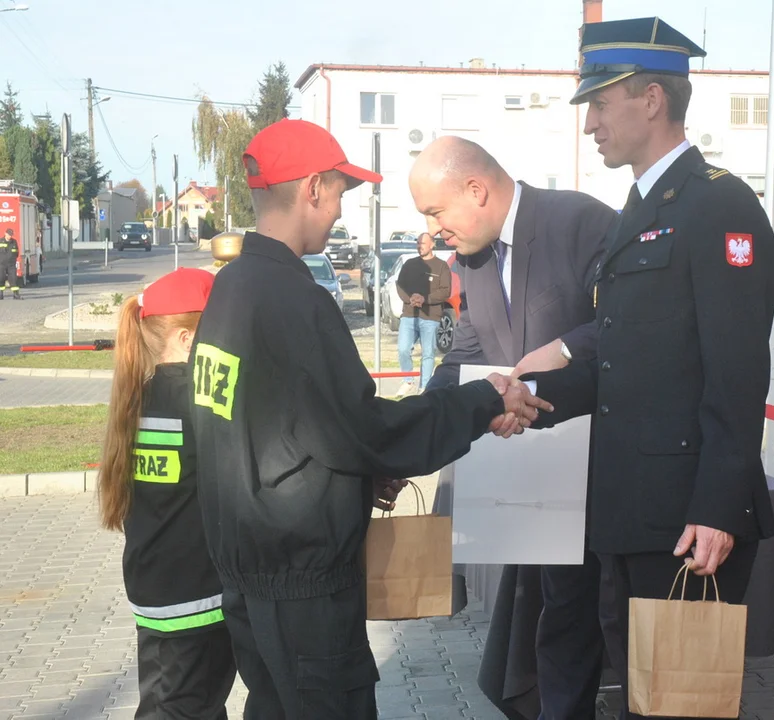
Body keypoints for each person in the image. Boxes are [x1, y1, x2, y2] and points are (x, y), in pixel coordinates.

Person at [189, 118, 552, 720]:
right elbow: (366, 431)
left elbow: (277, 430)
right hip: (303, 586)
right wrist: (482, 398)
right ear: (311, 188)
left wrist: (354, 478)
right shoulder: (293, 299)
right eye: (338, 193)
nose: (338, 212)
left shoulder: (231, 290)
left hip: (249, 575)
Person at [519, 18, 774, 720]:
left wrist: (718, 506)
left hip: (686, 515)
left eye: (600, 105)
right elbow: (626, 358)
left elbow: (736, 370)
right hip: (631, 505)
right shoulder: (641, 206)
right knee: (643, 692)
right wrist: (526, 395)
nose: (590, 125)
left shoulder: (718, 203)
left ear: (652, 99)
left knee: (679, 703)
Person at [411, 135, 617, 720]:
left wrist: (568, 349)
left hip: (604, 462)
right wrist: (418, 421)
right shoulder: (471, 260)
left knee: (599, 619)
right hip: (533, 473)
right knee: (555, 616)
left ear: (476, 189)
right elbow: (466, 354)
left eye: (435, 212)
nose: (434, 229)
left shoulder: (579, 221)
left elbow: (637, 320)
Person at [97, 268, 236, 718]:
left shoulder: (140, 399)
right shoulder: (200, 401)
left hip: (156, 590)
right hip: (200, 597)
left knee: (174, 706)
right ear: (186, 338)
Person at [395, 232, 451, 395]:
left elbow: (445, 291)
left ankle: (424, 387)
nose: (420, 246)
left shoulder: (441, 266)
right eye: (418, 244)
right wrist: (410, 299)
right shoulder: (409, 264)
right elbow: (400, 285)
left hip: (431, 317)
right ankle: (408, 381)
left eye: (423, 244)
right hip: (409, 314)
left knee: (428, 353)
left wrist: (425, 299)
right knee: (403, 348)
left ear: (432, 244)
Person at [0, 228, 19, 299]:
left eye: (11, 235)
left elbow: (17, 253)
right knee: (1, 278)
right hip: (1, 264)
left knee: (13, 279)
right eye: (9, 235)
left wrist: (12, 260)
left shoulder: (14, 242)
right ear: (5, 233)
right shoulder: (0, 241)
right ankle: (0, 294)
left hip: (11, 264)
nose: (10, 236)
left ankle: (16, 294)